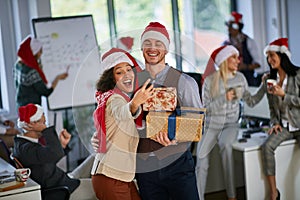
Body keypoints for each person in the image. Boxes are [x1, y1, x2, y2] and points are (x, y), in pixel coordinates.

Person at [135, 21, 203, 200]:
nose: (152, 48)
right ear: (141, 48)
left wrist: (174, 138)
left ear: (166, 49)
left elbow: (197, 126)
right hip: (145, 167)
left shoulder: (184, 82)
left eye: (158, 44)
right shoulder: (132, 83)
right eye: (147, 43)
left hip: (177, 165)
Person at [196, 45, 265, 200]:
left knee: (226, 147)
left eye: (238, 57)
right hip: (210, 125)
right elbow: (205, 109)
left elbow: (251, 102)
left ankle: (231, 196)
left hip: (230, 125)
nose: (238, 60)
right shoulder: (209, 80)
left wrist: (263, 87)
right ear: (224, 60)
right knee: (201, 161)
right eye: (234, 57)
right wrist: (223, 98)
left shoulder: (240, 78)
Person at [91, 48, 154, 200]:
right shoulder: (115, 99)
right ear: (111, 78)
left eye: (129, 69)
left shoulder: (111, 98)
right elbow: (122, 112)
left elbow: (114, 122)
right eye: (119, 72)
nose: (127, 74)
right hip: (111, 178)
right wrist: (135, 104)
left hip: (118, 176)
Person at [12, 103, 80, 198]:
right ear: (32, 124)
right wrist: (46, 130)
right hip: (63, 189)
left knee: (95, 159)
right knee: (98, 187)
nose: (45, 126)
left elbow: (47, 160)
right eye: (43, 123)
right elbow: (54, 154)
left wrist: (62, 146)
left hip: (64, 179)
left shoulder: (25, 144)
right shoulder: (25, 149)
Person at [261, 38, 300, 200]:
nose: (270, 60)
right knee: (267, 147)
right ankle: (274, 193)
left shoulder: (298, 75)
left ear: (282, 55)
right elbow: (272, 109)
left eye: (272, 56)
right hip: (284, 127)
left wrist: (284, 95)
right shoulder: (270, 80)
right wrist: (274, 122)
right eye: (268, 57)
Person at [13, 35, 68, 108]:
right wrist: (58, 78)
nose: (41, 54)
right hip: (31, 110)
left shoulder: (18, 65)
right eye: (40, 51)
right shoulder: (31, 71)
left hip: (21, 106)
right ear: (34, 53)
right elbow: (46, 92)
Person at [223, 11, 262, 87]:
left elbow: (258, 64)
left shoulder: (249, 42)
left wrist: (245, 67)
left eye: (232, 26)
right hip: (230, 83)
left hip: (247, 82)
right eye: (228, 25)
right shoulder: (225, 43)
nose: (229, 29)